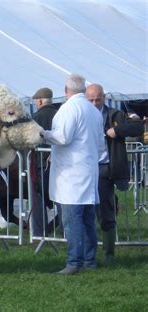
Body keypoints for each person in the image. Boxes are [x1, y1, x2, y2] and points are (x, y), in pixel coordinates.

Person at [41, 74, 104, 275]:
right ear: (83, 89)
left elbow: (63, 137)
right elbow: (101, 143)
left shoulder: (69, 109)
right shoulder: (93, 111)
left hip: (71, 174)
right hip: (88, 170)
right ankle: (89, 260)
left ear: (66, 90)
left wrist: (43, 133)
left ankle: (74, 261)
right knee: (87, 219)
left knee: (72, 220)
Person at [86, 84, 143, 264]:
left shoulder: (114, 114)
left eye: (97, 99)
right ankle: (86, 253)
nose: (94, 103)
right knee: (86, 211)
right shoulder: (81, 113)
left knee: (106, 211)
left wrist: (117, 130)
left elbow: (137, 127)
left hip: (105, 168)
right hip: (84, 168)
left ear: (104, 98)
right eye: (90, 100)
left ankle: (108, 254)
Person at [31, 87, 59, 236]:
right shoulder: (60, 114)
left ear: (40, 101)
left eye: (36, 101)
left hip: (40, 164)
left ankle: (39, 232)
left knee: (38, 197)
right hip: (59, 163)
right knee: (60, 197)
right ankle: (59, 225)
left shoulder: (35, 117)